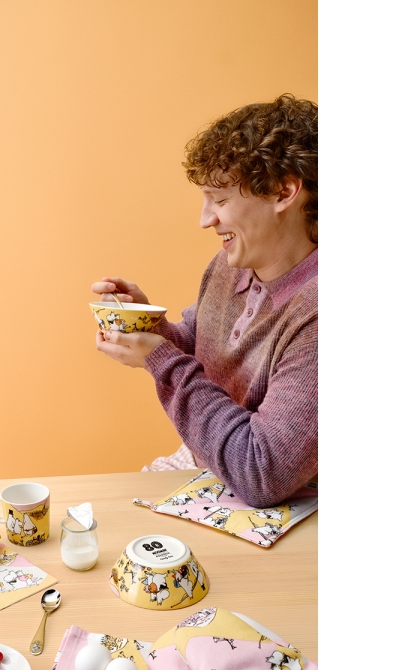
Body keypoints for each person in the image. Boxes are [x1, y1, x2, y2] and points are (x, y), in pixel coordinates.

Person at [93, 95, 317, 508]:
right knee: (109, 516)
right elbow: (202, 351)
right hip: (207, 465)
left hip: (289, 504)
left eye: (221, 199)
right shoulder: (230, 265)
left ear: (284, 192)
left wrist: (159, 358)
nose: (205, 219)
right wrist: (149, 327)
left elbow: (262, 472)